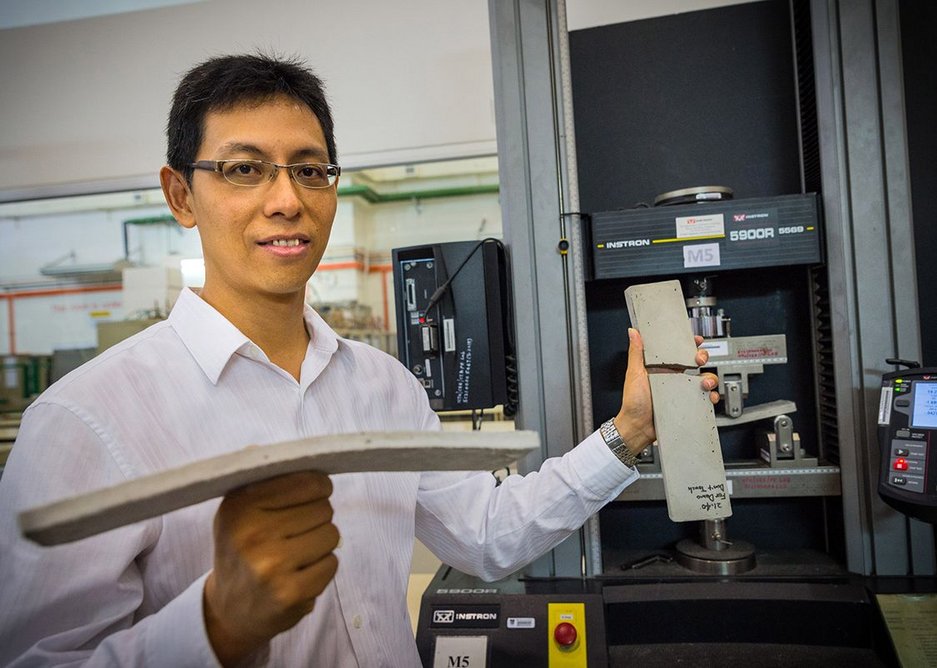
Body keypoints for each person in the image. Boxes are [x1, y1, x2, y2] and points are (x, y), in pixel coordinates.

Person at [0, 53, 718, 667]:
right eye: (245, 169)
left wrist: (629, 430)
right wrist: (214, 624)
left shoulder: (384, 388)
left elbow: (487, 537)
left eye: (310, 170)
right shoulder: (87, 419)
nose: (286, 200)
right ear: (181, 195)